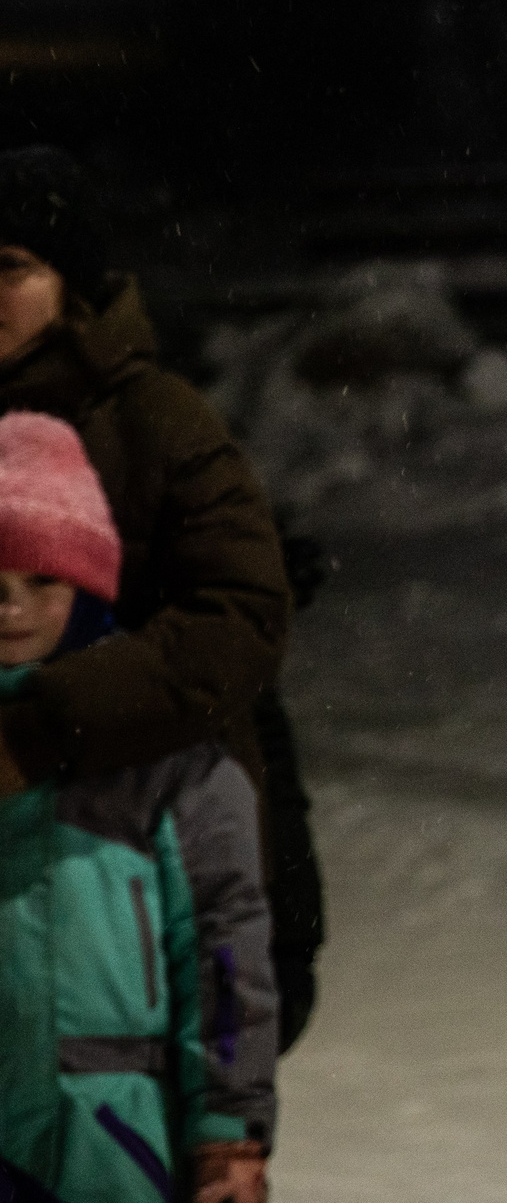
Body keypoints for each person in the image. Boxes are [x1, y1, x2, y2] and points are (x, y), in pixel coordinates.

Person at [0, 147, 325, 1047]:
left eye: (11, 268)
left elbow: (236, 621)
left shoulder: (156, 421)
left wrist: (45, 725)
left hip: (143, 881)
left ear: (74, 283)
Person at [0, 411, 277, 1203]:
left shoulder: (164, 761)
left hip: (113, 1131)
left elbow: (224, 950)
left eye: (43, 580)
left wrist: (229, 1136)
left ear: (86, 585)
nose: (11, 608)